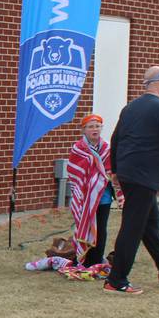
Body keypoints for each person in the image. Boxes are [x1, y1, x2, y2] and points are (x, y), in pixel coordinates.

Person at [103, 66, 159, 295]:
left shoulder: (130, 108)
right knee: (132, 227)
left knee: (149, 224)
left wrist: (114, 168)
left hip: (129, 172)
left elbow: (116, 138)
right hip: (145, 175)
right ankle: (116, 280)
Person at [66, 114, 118, 266]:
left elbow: (111, 170)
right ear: (83, 130)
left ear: (101, 128)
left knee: (100, 229)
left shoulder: (108, 148)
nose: (94, 129)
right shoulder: (78, 149)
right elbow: (74, 171)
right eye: (90, 126)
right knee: (85, 225)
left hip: (104, 196)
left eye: (97, 126)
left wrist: (102, 176)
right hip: (84, 197)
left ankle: (95, 261)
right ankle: (83, 260)